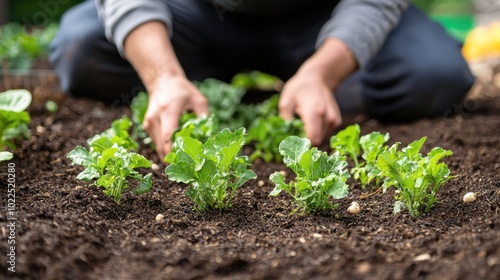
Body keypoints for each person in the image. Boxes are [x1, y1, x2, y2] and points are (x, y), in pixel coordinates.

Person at [50, 0, 475, 159]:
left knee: (432, 74)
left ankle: (314, 86)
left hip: (324, 18)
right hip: (197, 14)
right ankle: (195, 85)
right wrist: (162, 76)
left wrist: (321, 71)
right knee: (83, 48)